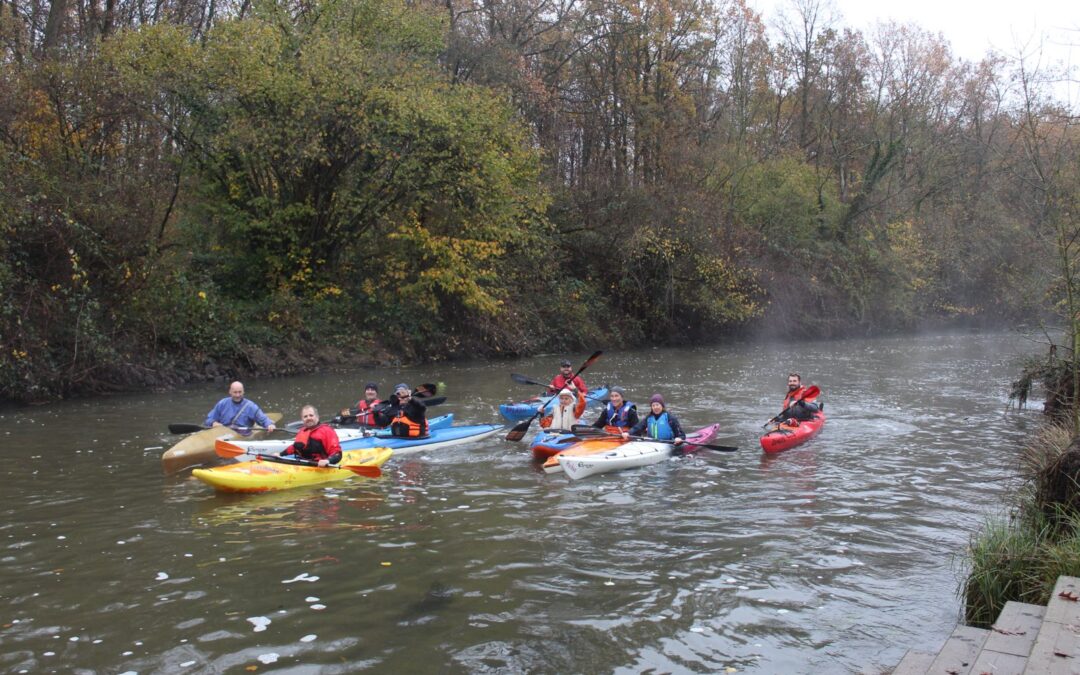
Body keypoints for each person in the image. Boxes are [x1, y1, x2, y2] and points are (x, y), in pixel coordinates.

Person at [204, 381, 277, 432]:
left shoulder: (250, 406)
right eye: (235, 392)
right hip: (222, 432)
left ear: (243, 391)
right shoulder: (222, 403)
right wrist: (213, 423)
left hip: (242, 433)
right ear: (230, 392)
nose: (237, 395)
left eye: (240, 392)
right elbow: (209, 420)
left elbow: (263, 419)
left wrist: (269, 425)